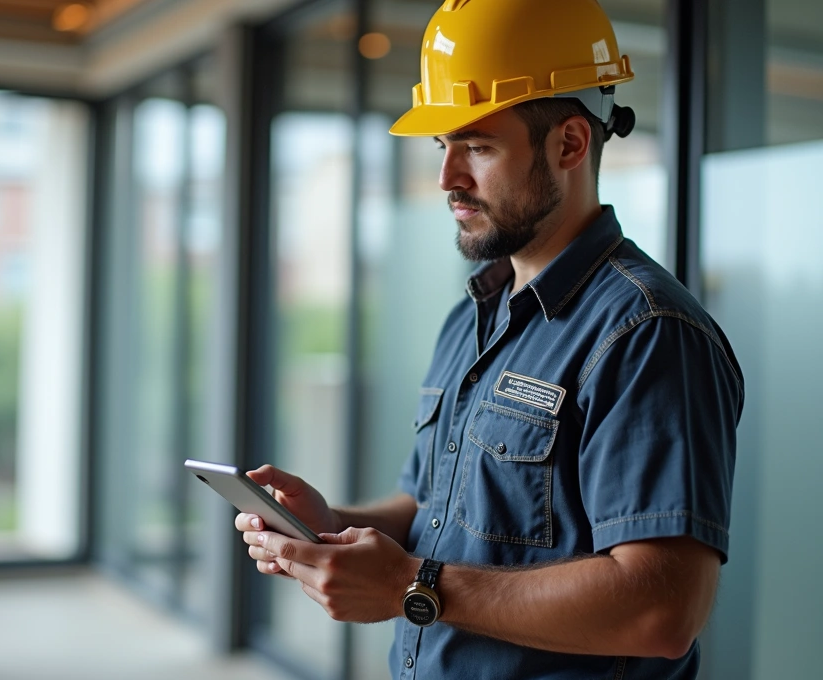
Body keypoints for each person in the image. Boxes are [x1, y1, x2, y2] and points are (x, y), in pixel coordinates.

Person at [235, 0, 744, 677]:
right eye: (442, 145)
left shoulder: (648, 332)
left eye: (476, 145)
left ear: (569, 144)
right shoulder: (474, 314)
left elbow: (661, 611)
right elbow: (431, 511)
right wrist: (331, 527)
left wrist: (406, 587)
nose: (447, 178)